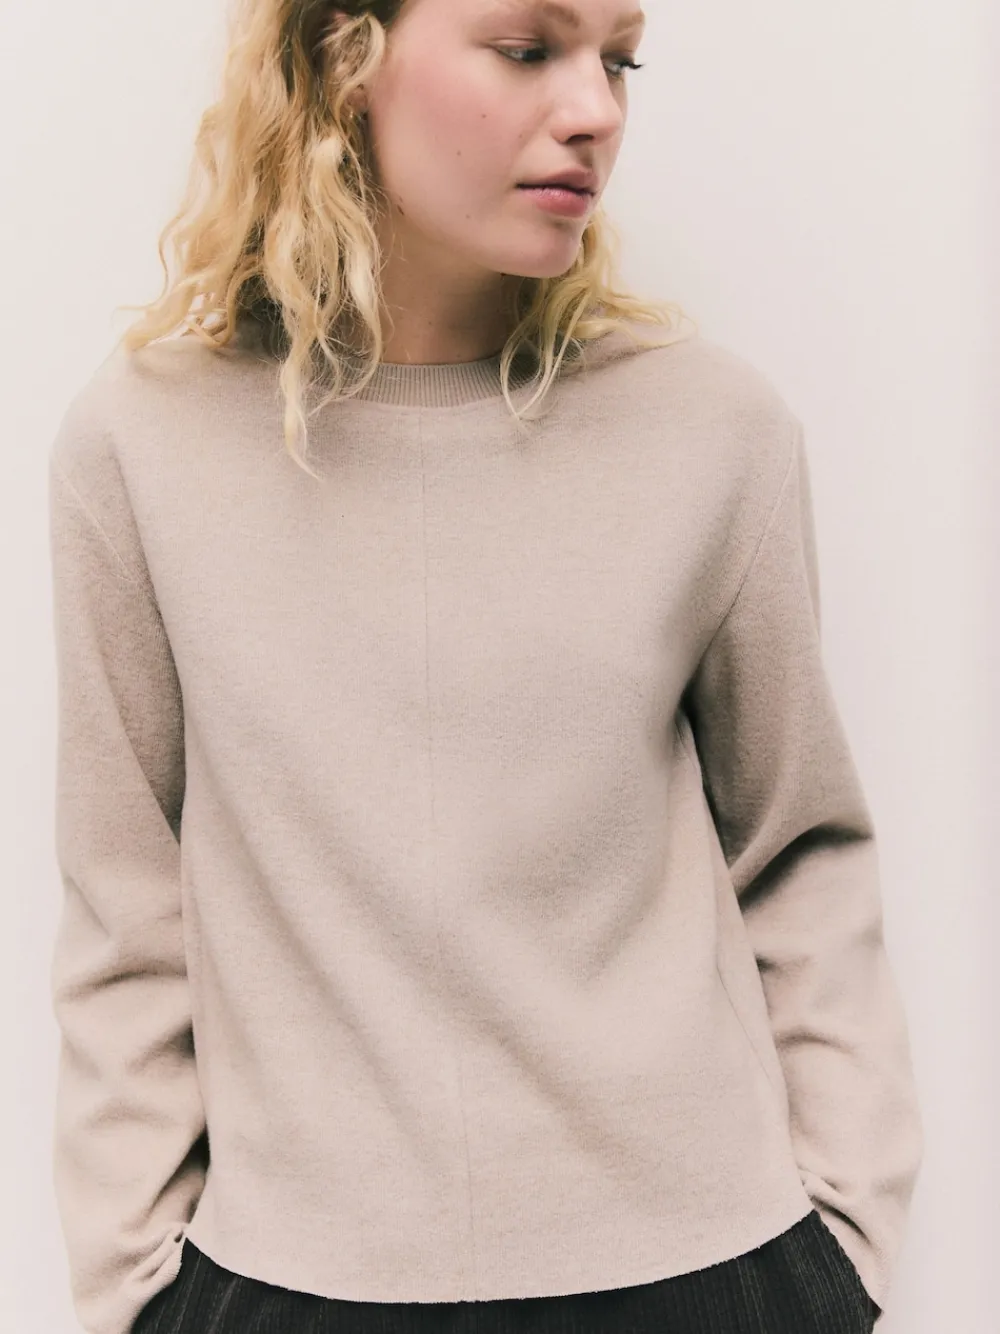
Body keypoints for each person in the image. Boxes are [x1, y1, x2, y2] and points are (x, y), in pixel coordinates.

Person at [46, 2, 922, 1332]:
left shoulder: (712, 430)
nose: (596, 111)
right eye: (528, 48)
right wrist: (136, 1292)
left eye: (619, 60)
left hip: (708, 1271)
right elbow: (124, 905)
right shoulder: (142, 445)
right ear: (344, 58)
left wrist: (839, 1251)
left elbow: (802, 853)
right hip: (292, 1282)